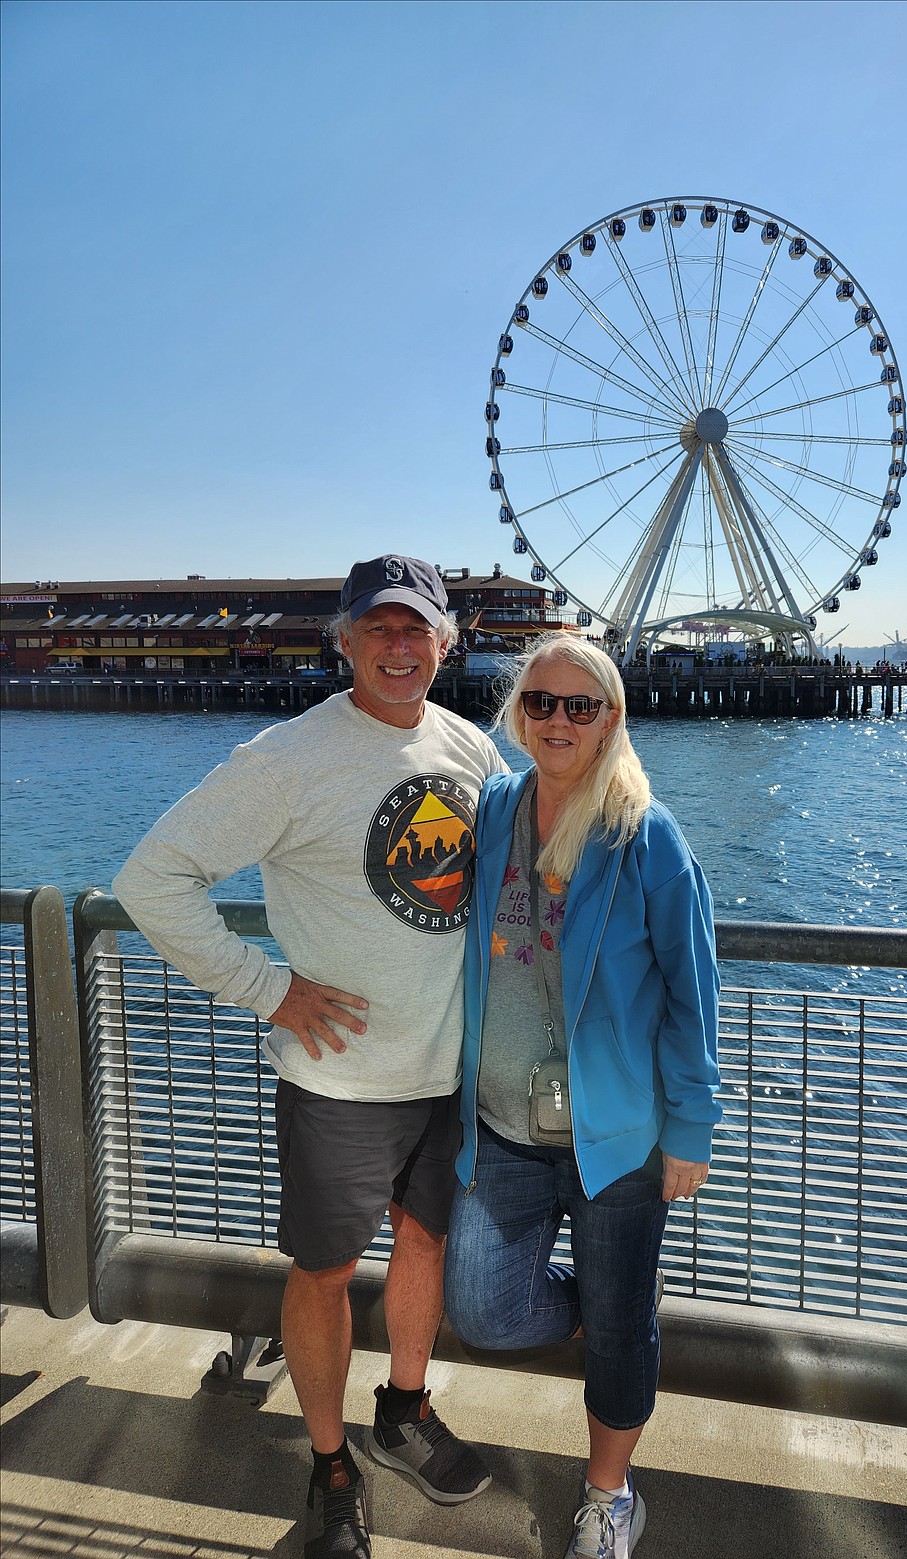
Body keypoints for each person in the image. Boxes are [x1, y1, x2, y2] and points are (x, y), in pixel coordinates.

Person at [113, 555, 506, 1559]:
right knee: (325, 1270)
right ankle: (332, 1462)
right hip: (337, 1079)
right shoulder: (286, 758)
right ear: (340, 640)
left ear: (446, 643)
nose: (398, 644)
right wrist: (270, 988)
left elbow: (520, 885)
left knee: (425, 1247)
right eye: (377, 627)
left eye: (417, 628)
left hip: (450, 1069)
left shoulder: (472, 749)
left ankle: (404, 1411)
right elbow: (154, 878)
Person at [443, 634, 721, 1559]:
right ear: (517, 713)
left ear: (612, 719)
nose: (557, 720)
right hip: (503, 1128)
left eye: (580, 705)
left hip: (619, 1140)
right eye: (541, 703)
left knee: (618, 1327)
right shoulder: (491, 811)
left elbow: (692, 993)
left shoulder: (647, 834)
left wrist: (690, 1129)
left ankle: (609, 1495)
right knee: (481, 1308)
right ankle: (614, 1314)